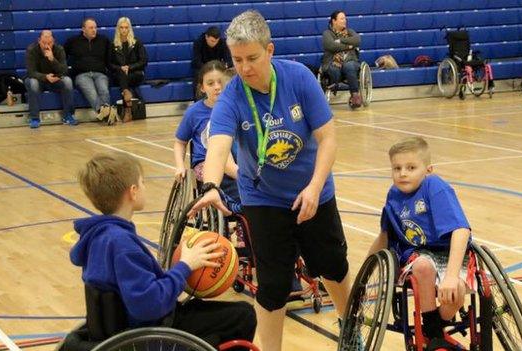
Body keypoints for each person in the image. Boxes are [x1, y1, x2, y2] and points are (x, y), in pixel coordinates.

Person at [188, 11, 352, 351]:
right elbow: (218, 145)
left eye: (252, 58)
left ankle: (349, 328)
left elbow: (329, 140)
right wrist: (211, 186)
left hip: (314, 190)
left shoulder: (299, 78)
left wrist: (315, 186)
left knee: (333, 267)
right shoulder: (232, 96)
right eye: (237, 60)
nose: (245, 67)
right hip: (263, 198)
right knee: (274, 284)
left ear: (270, 50)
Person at [71, 152, 256, 348]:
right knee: (243, 315)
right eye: (142, 182)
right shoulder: (121, 244)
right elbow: (149, 304)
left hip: (125, 331)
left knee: (216, 312)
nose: (145, 187)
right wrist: (185, 266)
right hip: (147, 335)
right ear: (133, 191)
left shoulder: (99, 237)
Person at [367, 137, 472, 351]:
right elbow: (384, 237)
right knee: (423, 266)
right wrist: (366, 271)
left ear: (428, 170)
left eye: (411, 167)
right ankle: (433, 334)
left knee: (456, 291)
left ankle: (433, 328)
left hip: (449, 252)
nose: (403, 173)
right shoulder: (393, 195)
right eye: (397, 168)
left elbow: (461, 230)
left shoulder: (434, 186)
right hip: (418, 256)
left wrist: (451, 276)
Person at [174, 60, 239, 201]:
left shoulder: (236, 107)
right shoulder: (194, 112)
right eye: (210, 83)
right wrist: (180, 166)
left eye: (220, 82)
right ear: (202, 88)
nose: (217, 87)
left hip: (233, 159)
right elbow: (180, 142)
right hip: (205, 162)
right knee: (226, 174)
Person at [65, 18, 117, 121]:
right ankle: (106, 114)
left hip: (100, 73)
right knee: (91, 92)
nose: (94, 30)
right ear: (83, 29)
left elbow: (110, 59)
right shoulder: (73, 41)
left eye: (95, 28)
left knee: (104, 90)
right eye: (91, 28)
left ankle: (104, 114)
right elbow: (63, 57)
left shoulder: (104, 40)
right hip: (81, 74)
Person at [24, 30, 77, 129]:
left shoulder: (59, 49)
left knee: (68, 81)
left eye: (49, 43)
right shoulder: (31, 50)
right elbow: (31, 72)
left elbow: (64, 70)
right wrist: (45, 77)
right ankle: (34, 118)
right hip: (38, 79)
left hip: (54, 80)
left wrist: (53, 59)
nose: (46, 46)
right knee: (33, 83)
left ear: (53, 41)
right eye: (44, 43)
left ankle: (68, 115)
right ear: (39, 40)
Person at [109, 17, 148, 122]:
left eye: (126, 27)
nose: (124, 30)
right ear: (118, 29)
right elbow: (109, 64)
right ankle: (127, 101)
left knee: (124, 76)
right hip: (119, 75)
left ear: (130, 29)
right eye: (121, 28)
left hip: (135, 74)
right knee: (122, 74)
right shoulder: (113, 45)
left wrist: (129, 67)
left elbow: (143, 61)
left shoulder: (136, 42)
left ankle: (127, 108)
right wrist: (120, 68)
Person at [322, 10, 362, 108]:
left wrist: (340, 40)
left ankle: (355, 95)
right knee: (334, 69)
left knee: (349, 66)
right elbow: (331, 46)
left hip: (350, 60)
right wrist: (348, 46)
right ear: (334, 21)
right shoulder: (327, 33)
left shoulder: (350, 31)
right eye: (342, 18)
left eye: (345, 18)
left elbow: (357, 40)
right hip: (333, 62)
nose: (345, 20)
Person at [191, 26, 232, 98]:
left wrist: (225, 65)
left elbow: (228, 60)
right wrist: (207, 70)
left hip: (217, 67)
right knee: (197, 77)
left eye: (216, 41)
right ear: (206, 37)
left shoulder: (222, 42)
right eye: (212, 41)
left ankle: (226, 98)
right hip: (202, 67)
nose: (214, 43)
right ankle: (198, 99)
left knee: (229, 74)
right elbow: (196, 61)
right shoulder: (198, 42)